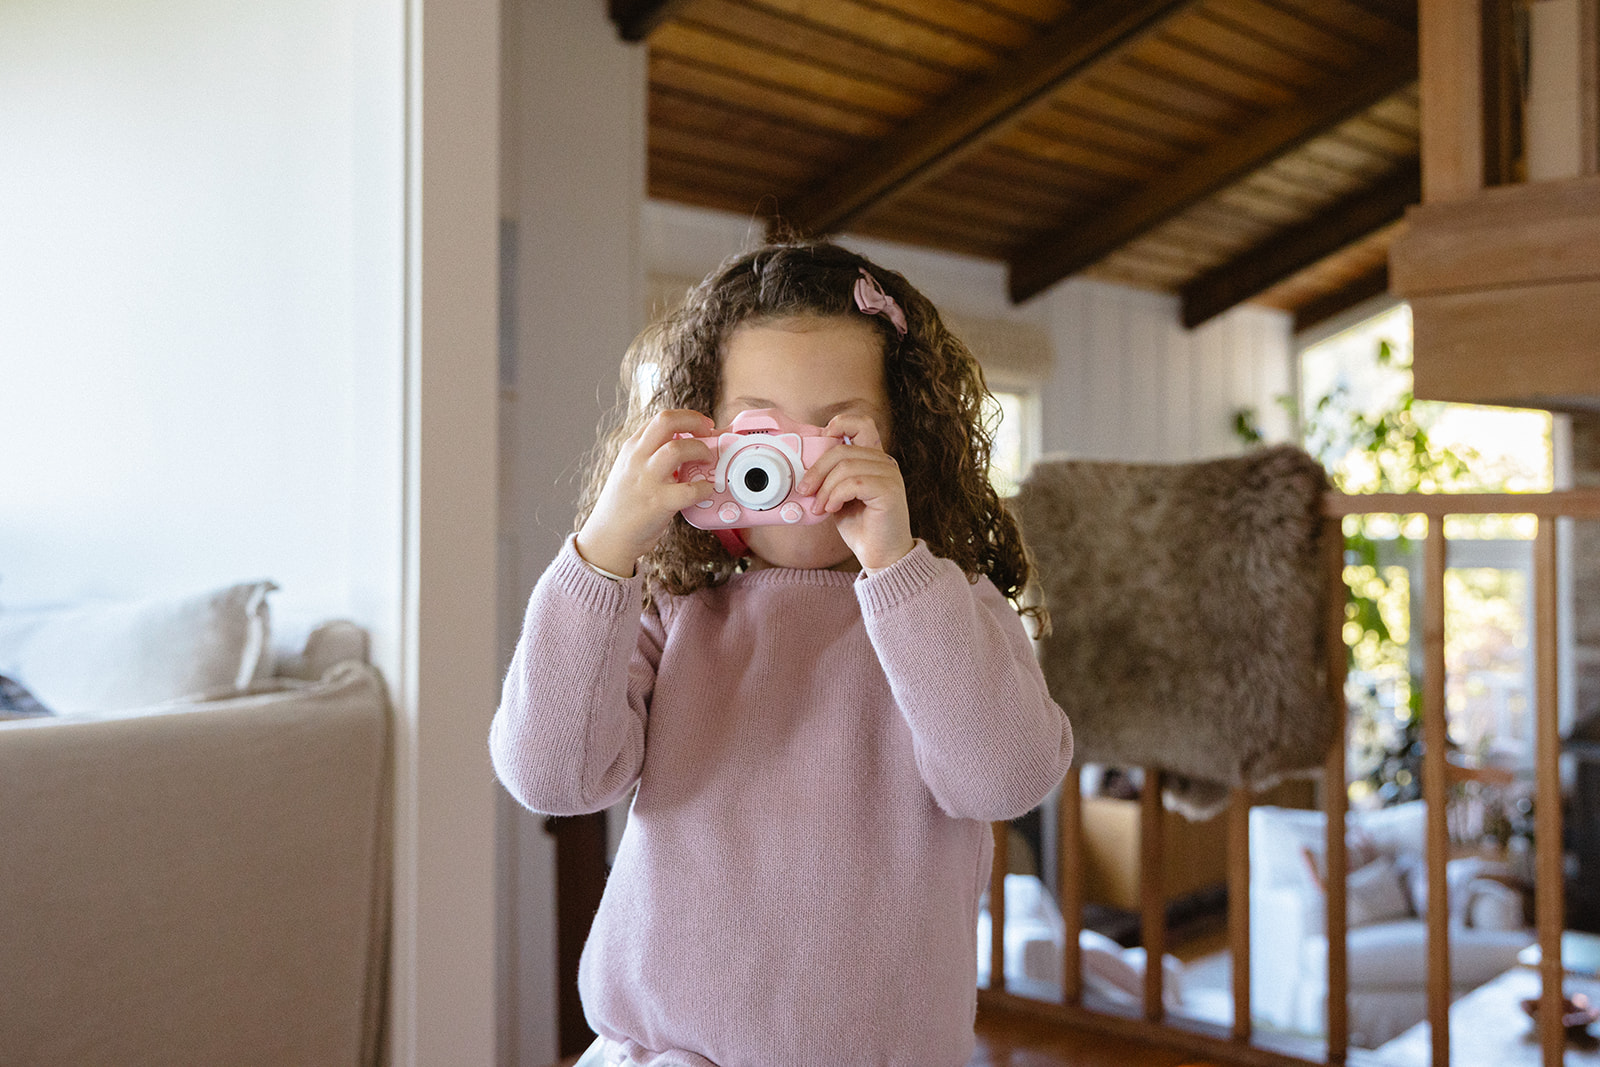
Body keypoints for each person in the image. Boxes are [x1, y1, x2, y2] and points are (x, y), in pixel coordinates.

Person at [490, 240, 1073, 1067]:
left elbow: (1006, 776)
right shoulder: (675, 615)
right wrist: (606, 543)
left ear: (903, 444)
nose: (797, 471)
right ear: (705, 439)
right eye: (763, 432)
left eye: (840, 432)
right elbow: (550, 774)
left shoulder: (949, 611)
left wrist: (899, 567)